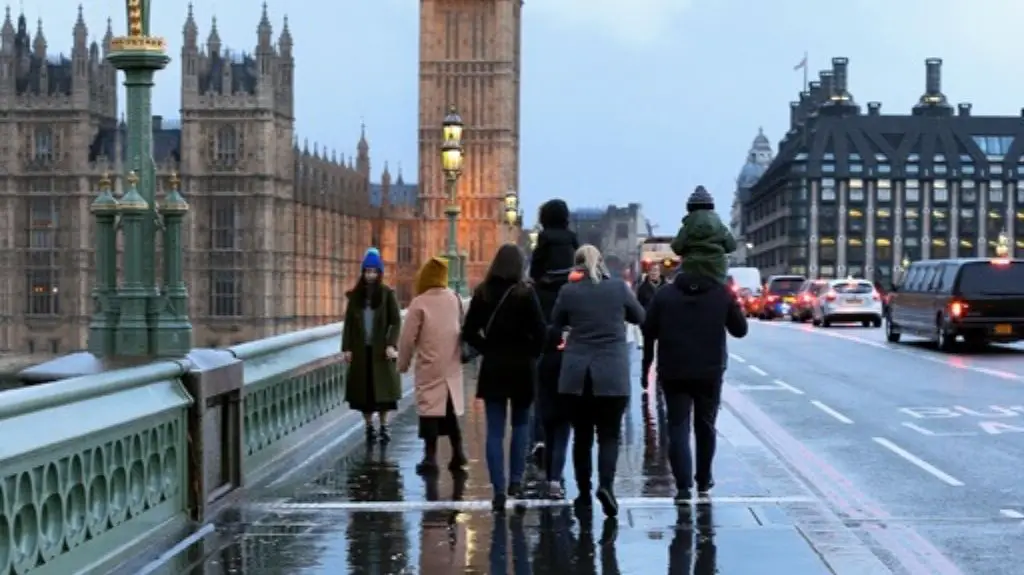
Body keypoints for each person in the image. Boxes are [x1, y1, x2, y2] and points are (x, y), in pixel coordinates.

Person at [549, 244, 645, 517]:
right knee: (609, 436)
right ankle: (606, 486)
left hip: (577, 375)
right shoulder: (617, 289)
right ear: (601, 262)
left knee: (581, 437)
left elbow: (556, 322)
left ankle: (583, 493)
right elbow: (640, 316)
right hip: (611, 373)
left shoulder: (568, 291)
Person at [642, 261, 748, 504]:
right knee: (706, 424)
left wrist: (647, 362)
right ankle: (703, 478)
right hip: (709, 370)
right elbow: (740, 330)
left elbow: (649, 329)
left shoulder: (665, 295)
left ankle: (682, 486)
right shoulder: (721, 293)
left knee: (677, 427)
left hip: (674, 369)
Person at [463, 244, 547, 512]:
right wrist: (530, 353)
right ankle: (516, 481)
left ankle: (498, 489)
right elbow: (541, 334)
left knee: (495, 431)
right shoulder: (526, 293)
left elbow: (469, 332)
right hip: (522, 367)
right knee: (522, 425)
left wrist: (488, 348)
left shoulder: (483, 293)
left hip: (494, 367)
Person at [397, 256, 468, 476]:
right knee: (448, 411)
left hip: (429, 364)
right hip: (451, 365)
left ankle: (430, 457)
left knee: (428, 411)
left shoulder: (419, 302)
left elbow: (407, 339)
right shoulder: (455, 298)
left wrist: (402, 364)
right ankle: (458, 452)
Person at [528, 198, 579, 465]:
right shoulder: (572, 238)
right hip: (567, 310)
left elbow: (534, 270)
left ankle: (538, 437)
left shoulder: (545, 239)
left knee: (540, 385)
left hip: (545, 308)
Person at [341, 247, 403, 442]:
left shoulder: (386, 294)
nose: (370, 275)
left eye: (374, 271)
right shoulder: (355, 297)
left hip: (381, 352)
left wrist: (391, 343)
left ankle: (384, 426)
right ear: (363, 272)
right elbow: (349, 324)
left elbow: (396, 320)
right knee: (364, 396)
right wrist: (347, 348)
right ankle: (369, 426)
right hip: (361, 352)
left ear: (379, 273)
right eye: (367, 271)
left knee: (384, 395)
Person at [669, 186, 737, 283]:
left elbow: (677, 248)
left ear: (690, 208)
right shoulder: (720, 226)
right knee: (726, 296)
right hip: (716, 272)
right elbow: (732, 246)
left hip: (692, 271)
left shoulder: (686, 227)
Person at [634, 263, 666, 388]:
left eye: (656, 271)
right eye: (652, 271)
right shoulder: (643, 288)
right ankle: (644, 376)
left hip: (663, 324)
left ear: (660, 273)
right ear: (648, 272)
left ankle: (660, 378)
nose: (654, 273)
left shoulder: (666, 287)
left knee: (663, 354)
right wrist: (642, 322)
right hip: (648, 324)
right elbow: (638, 306)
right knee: (648, 355)